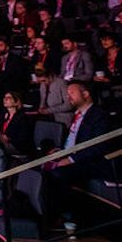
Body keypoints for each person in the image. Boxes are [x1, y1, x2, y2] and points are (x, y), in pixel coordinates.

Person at [45, 82, 111, 228]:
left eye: (72, 93)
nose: (68, 97)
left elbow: (98, 147)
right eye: (67, 94)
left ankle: (63, 217)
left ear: (85, 94)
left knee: (57, 173)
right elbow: (73, 141)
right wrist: (61, 151)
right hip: (72, 156)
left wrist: (70, 159)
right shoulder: (77, 115)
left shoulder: (99, 115)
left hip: (92, 163)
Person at [0, 91, 34, 156]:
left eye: (9, 97)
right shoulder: (3, 115)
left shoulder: (22, 118)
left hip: (17, 146)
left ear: (17, 102)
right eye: (4, 97)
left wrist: (8, 138)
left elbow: (23, 138)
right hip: (4, 143)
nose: (5, 99)